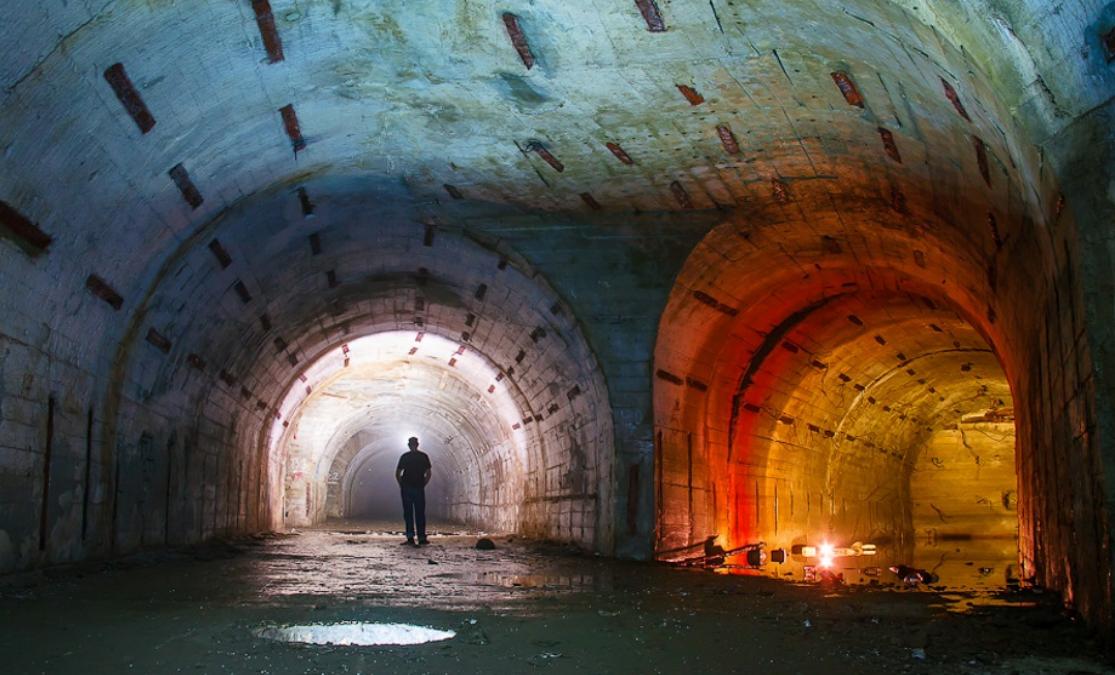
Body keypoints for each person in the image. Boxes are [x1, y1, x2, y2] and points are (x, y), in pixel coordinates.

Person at [396, 436, 432, 546]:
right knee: (420, 513)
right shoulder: (423, 456)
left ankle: (410, 537)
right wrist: (423, 484)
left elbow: (398, 473)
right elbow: (428, 473)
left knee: (408, 513)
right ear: (417, 445)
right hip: (418, 487)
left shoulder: (405, 457)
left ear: (409, 445)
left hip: (407, 487)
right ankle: (421, 537)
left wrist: (401, 484)